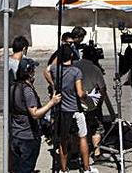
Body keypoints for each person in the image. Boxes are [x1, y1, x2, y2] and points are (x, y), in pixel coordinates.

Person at [10, 58, 61, 173]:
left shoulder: (13, 87)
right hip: (27, 136)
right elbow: (34, 114)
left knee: (18, 167)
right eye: (33, 70)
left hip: (15, 134)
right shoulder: (27, 91)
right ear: (29, 72)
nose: (34, 73)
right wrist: (52, 102)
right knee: (26, 168)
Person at [55, 45, 97, 173]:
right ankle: (86, 168)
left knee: (63, 140)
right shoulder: (76, 72)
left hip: (62, 110)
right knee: (83, 137)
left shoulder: (55, 70)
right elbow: (79, 93)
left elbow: (46, 71)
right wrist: (87, 95)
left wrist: (54, 86)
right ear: (72, 56)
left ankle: (63, 169)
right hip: (76, 110)